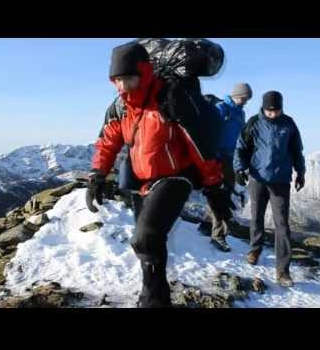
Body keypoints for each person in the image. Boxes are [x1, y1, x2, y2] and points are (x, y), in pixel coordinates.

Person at [86, 42, 233, 307]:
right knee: (150, 245)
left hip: (176, 176)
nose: (122, 86)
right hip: (143, 181)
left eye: (127, 78)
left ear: (143, 72)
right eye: (117, 80)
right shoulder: (122, 107)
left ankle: (153, 300)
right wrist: (97, 174)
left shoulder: (169, 97)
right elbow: (107, 142)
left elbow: (198, 145)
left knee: (146, 238)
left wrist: (213, 187)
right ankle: (153, 294)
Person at [233, 91, 306, 287]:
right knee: (256, 216)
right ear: (263, 108)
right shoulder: (254, 123)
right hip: (258, 178)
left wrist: (301, 172)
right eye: (269, 110)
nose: (272, 114)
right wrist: (239, 168)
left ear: (281, 108)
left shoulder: (288, 124)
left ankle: (283, 271)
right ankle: (255, 249)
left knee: (282, 224)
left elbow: (296, 150)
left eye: (276, 110)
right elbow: (241, 147)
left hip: (281, 180)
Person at [205, 83, 253, 252]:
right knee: (221, 196)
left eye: (247, 99)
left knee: (223, 193)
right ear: (236, 95)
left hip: (232, 159)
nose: (245, 102)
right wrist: (214, 155)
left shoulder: (240, 113)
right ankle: (219, 236)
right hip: (218, 158)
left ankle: (208, 225)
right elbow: (210, 132)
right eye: (243, 98)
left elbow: (241, 137)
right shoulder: (221, 108)